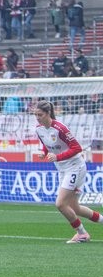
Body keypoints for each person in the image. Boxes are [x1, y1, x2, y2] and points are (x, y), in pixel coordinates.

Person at [34, 100, 102, 243]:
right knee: (74, 208)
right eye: (36, 115)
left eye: (40, 115)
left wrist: (57, 157)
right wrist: (43, 152)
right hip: (62, 169)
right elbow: (48, 144)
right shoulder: (39, 129)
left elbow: (77, 148)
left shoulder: (60, 128)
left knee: (60, 204)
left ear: (48, 113)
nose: (37, 118)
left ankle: (82, 234)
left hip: (75, 167)